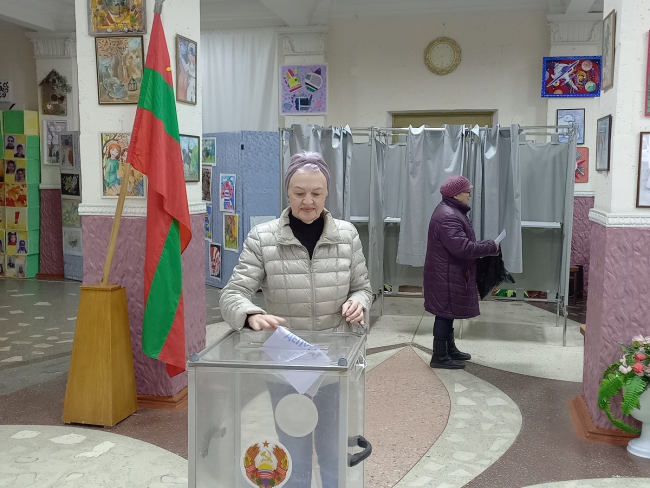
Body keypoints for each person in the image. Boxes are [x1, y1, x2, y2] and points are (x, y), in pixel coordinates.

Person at [220, 151, 372, 488]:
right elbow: (232, 294)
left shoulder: (346, 236)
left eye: (316, 193)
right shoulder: (263, 238)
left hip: (334, 366)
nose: (308, 201)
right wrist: (250, 314)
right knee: (292, 455)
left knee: (333, 451)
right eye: (299, 192)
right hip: (287, 366)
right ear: (287, 193)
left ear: (327, 193)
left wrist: (359, 302)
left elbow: (363, 287)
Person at [424, 175, 499, 370]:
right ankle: (439, 356)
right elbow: (463, 248)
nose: (469, 195)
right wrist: (491, 246)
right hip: (446, 274)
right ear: (456, 195)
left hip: (447, 272)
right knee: (444, 313)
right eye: (467, 191)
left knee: (447, 312)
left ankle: (449, 349)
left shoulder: (450, 211)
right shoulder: (449, 216)